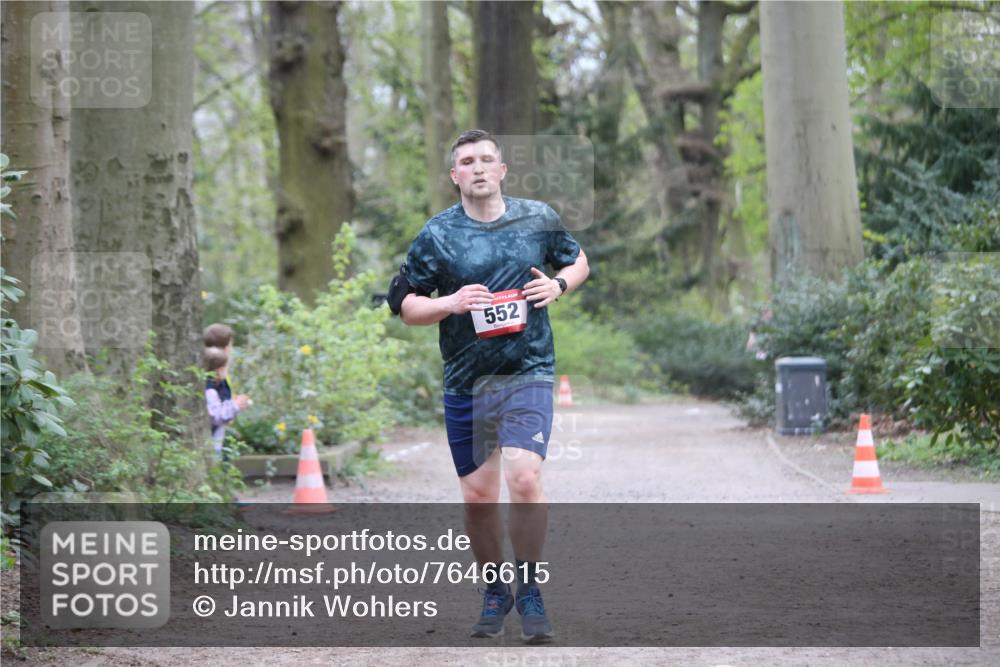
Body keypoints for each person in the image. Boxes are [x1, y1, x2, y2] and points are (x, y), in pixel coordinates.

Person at [400, 129, 589, 643]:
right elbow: (405, 306)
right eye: (467, 161)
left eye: (487, 159)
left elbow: (578, 259)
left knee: (525, 479)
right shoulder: (437, 235)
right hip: (467, 381)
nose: (478, 167)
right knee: (478, 497)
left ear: (503, 170)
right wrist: (450, 303)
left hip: (528, 370)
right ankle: (494, 590)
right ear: (455, 176)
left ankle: (528, 588)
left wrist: (560, 284)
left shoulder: (538, 218)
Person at [203, 346, 250, 458]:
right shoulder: (210, 391)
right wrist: (235, 406)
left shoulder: (215, 388)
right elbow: (217, 416)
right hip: (212, 444)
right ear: (219, 370)